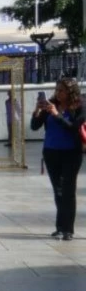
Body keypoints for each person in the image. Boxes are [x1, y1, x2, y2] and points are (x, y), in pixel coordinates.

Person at [31, 77, 86, 240]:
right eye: (57, 89)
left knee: (68, 191)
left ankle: (68, 229)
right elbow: (34, 126)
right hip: (51, 152)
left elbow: (73, 127)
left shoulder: (80, 106)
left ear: (70, 92)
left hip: (71, 153)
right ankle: (60, 227)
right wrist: (38, 110)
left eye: (61, 90)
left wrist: (56, 115)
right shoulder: (51, 104)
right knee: (58, 190)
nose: (58, 93)